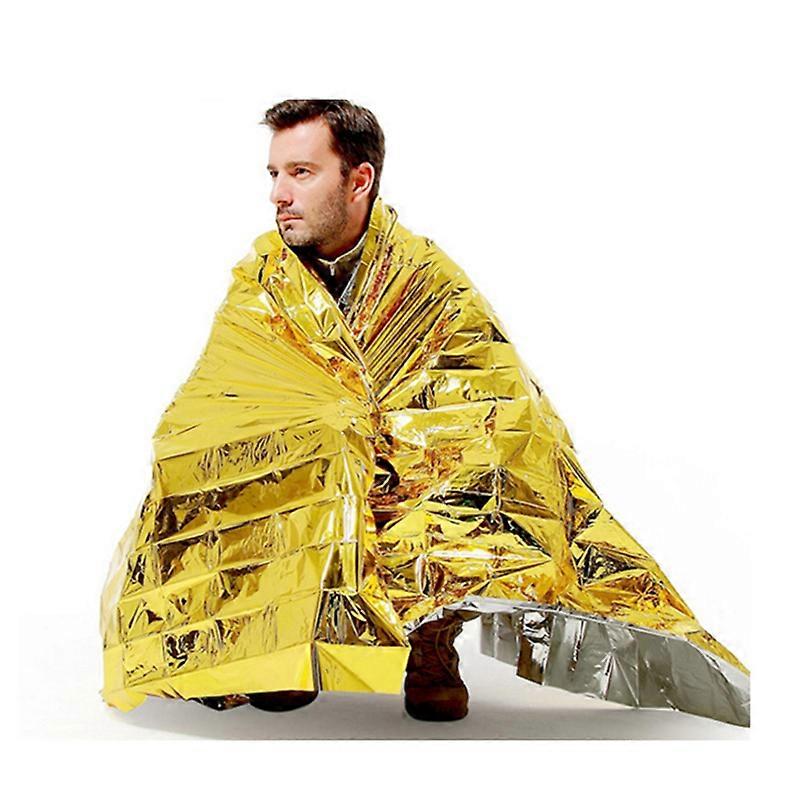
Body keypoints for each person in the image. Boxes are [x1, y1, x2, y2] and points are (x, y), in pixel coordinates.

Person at [100, 99, 749, 729]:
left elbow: (498, 399)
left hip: (406, 471)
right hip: (316, 468)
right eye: (274, 173)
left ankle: (430, 639)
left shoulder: (428, 278)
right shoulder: (261, 281)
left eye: (300, 172)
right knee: (254, 448)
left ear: (359, 180)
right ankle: (287, 627)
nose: (279, 194)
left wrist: (407, 442)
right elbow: (216, 400)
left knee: (491, 464)